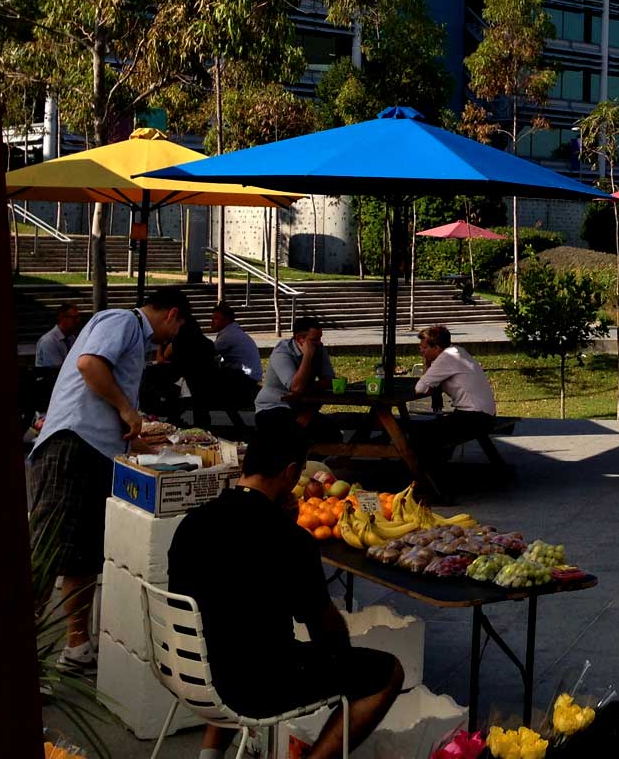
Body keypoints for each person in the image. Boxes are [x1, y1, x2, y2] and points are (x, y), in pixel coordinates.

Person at [169, 415, 402, 759]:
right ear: (292, 473)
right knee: (387, 672)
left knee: (224, 628)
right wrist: (340, 654)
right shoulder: (290, 540)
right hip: (253, 687)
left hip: (187, 670)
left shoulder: (192, 522)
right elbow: (325, 632)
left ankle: (210, 755)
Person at [28, 287, 190, 670]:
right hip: (71, 446)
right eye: (179, 326)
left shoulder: (133, 334)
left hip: (94, 452)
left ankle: (77, 647)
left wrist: (131, 428)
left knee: (81, 557)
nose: (173, 337)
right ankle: (18, 660)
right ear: (171, 314)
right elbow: (89, 365)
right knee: (45, 555)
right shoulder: (122, 321)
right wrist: (127, 410)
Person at [411, 325, 498, 466]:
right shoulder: (457, 351)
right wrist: (428, 360)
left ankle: (424, 476)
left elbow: (420, 388)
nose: (421, 351)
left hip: (476, 418)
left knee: (420, 433)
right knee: (430, 430)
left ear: (437, 347)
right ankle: (434, 470)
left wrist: (428, 363)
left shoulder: (446, 358)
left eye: (425, 348)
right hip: (485, 415)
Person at [256, 318, 337, 440]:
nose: (319, 343)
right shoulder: (282, 353)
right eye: (314, 340)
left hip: (300, 407)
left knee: (332, 434)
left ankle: (319, 459)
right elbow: (296, 387)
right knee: (299, 435)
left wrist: (308, 391)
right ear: (300, 339)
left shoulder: (318, 347)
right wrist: (308, 356)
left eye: (320, 338)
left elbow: (330, 380)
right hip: (272, 408)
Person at [210, 302, 262, 383]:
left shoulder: (228, 336)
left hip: (247, 377)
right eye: (212, 318)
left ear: (226, 320)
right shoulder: (234, 331)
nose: (212, 322)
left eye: (216, 318)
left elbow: (207, 352)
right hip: (252, 374)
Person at [35, 302, 82, 369]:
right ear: (62, 318)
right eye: (74, 318)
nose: (78, 321)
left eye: (78, 317)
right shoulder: (48, 341)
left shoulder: (71, 338)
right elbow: (56, 370)